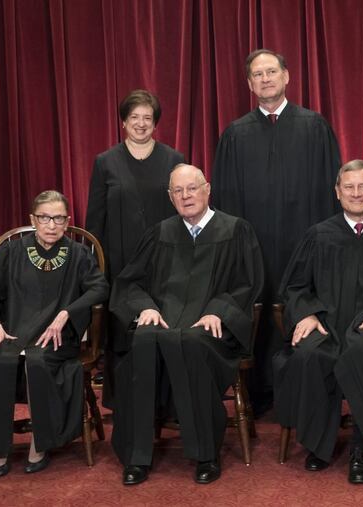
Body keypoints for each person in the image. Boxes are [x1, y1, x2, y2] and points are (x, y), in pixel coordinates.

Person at [110, 164, 263, 485]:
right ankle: (137, 456)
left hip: (210, 329)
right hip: (164, 322)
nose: (185, 196)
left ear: (207, 189)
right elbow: (129, 283)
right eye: (178, 191)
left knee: (193, 342)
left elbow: (249, 284)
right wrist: (145, 308)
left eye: (192, 188)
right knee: (143, 340)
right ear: (169, 197)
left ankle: (206, 453)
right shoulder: (160, 233)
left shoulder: (235, 230)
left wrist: (219, 310)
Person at [213, 49, 342, 415]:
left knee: (302, 308)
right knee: (258, 311)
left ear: (287, 76)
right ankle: (259, 393)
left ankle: (306, 391)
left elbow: (330, 192)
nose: (266, 78)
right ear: (249, 83)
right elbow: (224, 200)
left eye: (272, 71)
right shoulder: (235, 134)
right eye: (258, 74)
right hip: (253, 247)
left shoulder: (314, 127)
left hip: (304, 243)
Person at [273, 160, 363, 484]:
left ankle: (359, 445)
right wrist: (307, 313)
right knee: (309, 354)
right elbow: (295, 286)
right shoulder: (319, 235)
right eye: (349, 187)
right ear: (337, 192)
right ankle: (318, 444)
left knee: (361, 351)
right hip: (327, 325)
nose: (356, 193)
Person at [0, 191, 108, 477]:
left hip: (56, 338)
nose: (51, 224)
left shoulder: (79, 254)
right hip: (12, 331)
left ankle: (40, 442)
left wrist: (67, 312)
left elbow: (100, 288)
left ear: (67, 221)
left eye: (58, 218)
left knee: (39, 361)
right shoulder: (11, 252)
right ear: (33, 219)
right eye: (45, 217)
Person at [86, 89, 185, 407]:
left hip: (166, 260)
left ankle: (166, 402)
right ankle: (125, 401)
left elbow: (185, 211)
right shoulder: (105, 162)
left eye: (147, 118)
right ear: (123, 121)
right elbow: (95, 219)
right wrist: (98, 269)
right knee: (124, 332)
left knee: (165, 325)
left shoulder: (174, 159)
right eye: (134, 118)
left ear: (155, 123)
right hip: (120, 262)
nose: (141, 124)